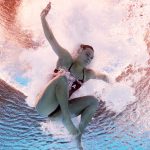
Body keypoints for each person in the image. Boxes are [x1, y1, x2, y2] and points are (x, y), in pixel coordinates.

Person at [35, 2, 110, 149]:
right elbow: (51, 38)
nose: (89, 58)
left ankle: (78, 137)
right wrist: (43, 16)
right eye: (87, 54)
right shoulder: (65, 58)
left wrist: (118, 86)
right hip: (45, 106)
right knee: (62, 77)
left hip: (59, 114)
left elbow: (104, 77)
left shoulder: (86, 74)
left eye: (91, 58)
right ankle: (68, 121)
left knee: (94, 101)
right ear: (80, 50)